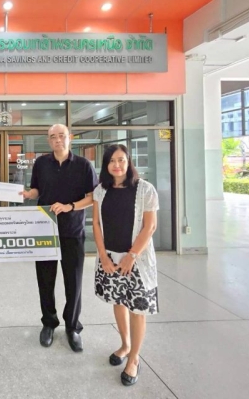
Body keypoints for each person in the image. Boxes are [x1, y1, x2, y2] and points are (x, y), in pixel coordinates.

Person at [21, 124, 98, 352]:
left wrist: (70, 206)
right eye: (53, 137)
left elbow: (93, 197)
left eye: (62, 136)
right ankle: (49, 323)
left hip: (72, 231)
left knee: (73, 281)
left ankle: (72, 326)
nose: (57, 140)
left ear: (70, 138)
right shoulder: (41, 163)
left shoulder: (83, 165)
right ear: (49, 140)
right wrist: (28, 194)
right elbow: (37, 190)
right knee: (45, 280)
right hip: (44, 230)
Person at [92, 144, 159, 387]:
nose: (116, 165)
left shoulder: (145, 189)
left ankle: (134, 358)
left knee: (137, 308)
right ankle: (125, 345)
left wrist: (132, 256)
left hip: (136, 261)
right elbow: (96, 224)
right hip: (110, 259)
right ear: (106, 165)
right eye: (111, 161)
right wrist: (103, 256)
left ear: (128, 161)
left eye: (121, 159)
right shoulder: (101, 190)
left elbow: (150, 226)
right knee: (118, 301)